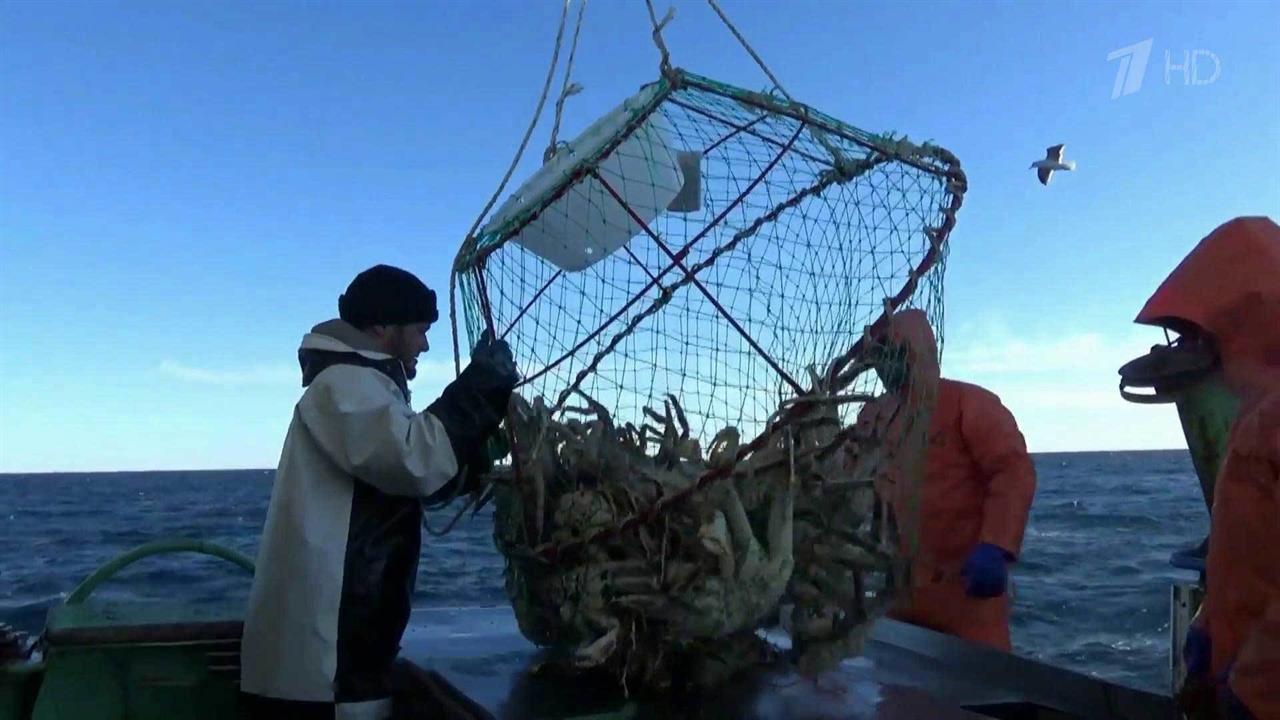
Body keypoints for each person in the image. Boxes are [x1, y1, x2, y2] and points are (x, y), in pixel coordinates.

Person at [239, 264, 519, 719]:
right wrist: (481, 387)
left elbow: (406, 479)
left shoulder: (362, 387)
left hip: (343, 660)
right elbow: (414, 459)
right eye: (420, 330)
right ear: (382, 326)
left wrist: (479, 455)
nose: (425, 344)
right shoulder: (342, 385)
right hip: (325, 670)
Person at [1140, 216, 1279, 720]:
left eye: (1203, 333)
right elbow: (1250, 552)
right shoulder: (1254, 418)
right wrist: (1209, 629)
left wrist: (1257, 693)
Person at [854, 308, 1037, 651]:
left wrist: (997, 545)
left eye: (891, 355)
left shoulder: (970, 403)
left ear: (915, 354)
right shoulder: (872, 414)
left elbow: (1013, 471)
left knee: (985, 691)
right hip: (896, 590)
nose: (882, 367)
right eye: (877, 358)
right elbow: (849, 474)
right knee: (897, 691)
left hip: (965, 589)